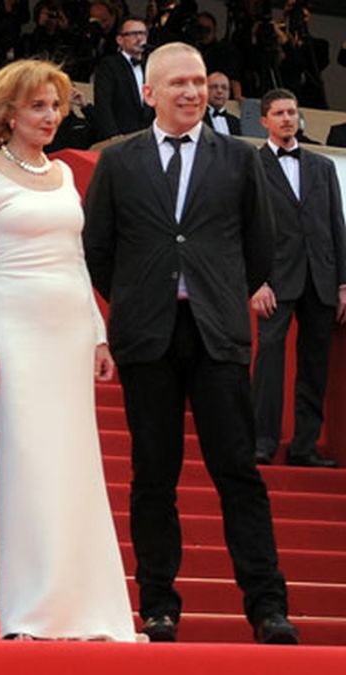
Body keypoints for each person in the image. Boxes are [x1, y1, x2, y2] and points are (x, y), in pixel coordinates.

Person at [83, 42, 298, 645]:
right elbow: (98, 251)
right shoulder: (119, 162)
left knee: (238, 473)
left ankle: (267, 604)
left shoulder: (240, 158)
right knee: (154, 476)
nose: (192, 92)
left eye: (199, 82)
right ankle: (158, 606)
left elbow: (261, 245)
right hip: (147, 336)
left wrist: (223, 292)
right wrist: (140, 296)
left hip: (218, 335)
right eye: (177, 83)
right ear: (149, 92)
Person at [0, 59, 135, 641]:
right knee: (29, 466)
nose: (51, 116)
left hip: (68, 332)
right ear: (7, 114)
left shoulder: (63, 175)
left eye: (56, 106)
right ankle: (32, 611)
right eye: (38, 106)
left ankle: (90, 609)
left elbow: (79, 260)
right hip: (16, 328)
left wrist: (99, 332)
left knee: (76, 466)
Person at [250, 88, 344, 470]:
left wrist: (343, 282)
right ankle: (261, 442)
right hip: (274, 280)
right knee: (269, 360)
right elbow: (243, 227)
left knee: (314, 364)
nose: (288, 119)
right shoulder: (250, 166)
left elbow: (337, 226)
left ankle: (305, 447)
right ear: (264, 121)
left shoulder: (322, 167)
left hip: (321, 279)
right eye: (280, 113)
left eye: (292, 112)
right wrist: (255, 282)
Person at [91, 16, 153, 141]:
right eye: (133, 34)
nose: (139, 38)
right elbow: (103, 103)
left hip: (147, 138)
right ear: (120, 40)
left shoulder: (152, 65)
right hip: (120, 138)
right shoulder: (109, 65)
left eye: (143, 33)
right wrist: (113, 136)